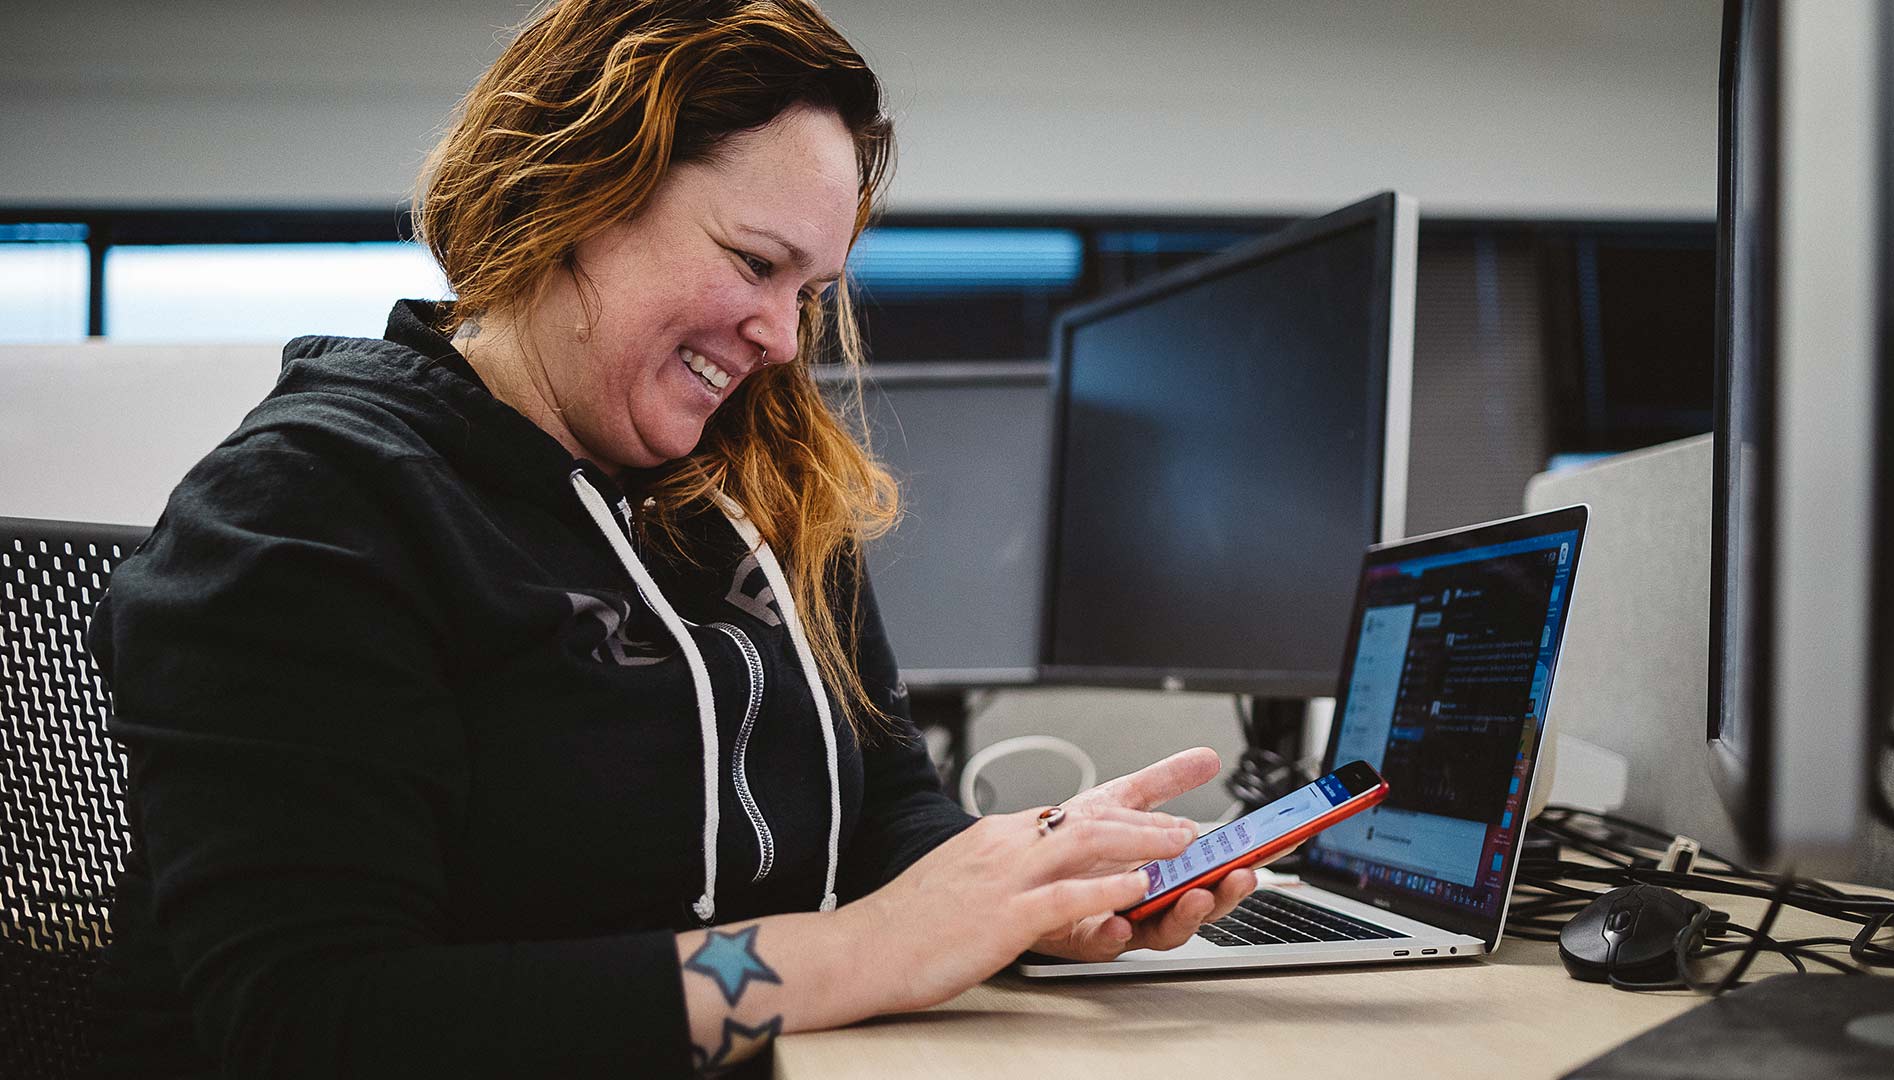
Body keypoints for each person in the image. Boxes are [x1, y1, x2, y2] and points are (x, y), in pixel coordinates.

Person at [87, 1, 1260, 1075]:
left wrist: (1024, 894)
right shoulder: (304, 514)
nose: (785, 339)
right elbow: (313, 1020)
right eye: (756, 263)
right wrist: (865, 952)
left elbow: (887, 798)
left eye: (807, 290)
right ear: (574, 193)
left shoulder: (755, 485)